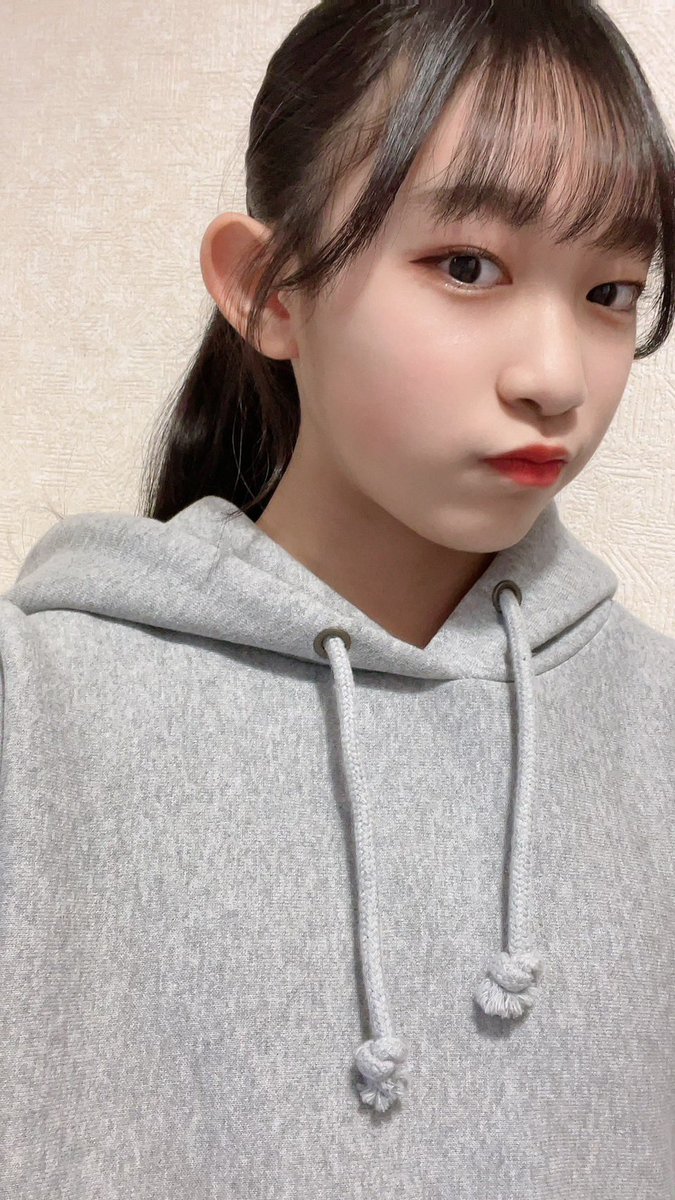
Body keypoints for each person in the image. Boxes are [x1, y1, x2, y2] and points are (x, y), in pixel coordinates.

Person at [1, 0, 674, 1195]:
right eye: (466, 266)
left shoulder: (656, 726)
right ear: (269, 290)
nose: (556, 378)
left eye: (612, 292)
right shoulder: (41, 713)